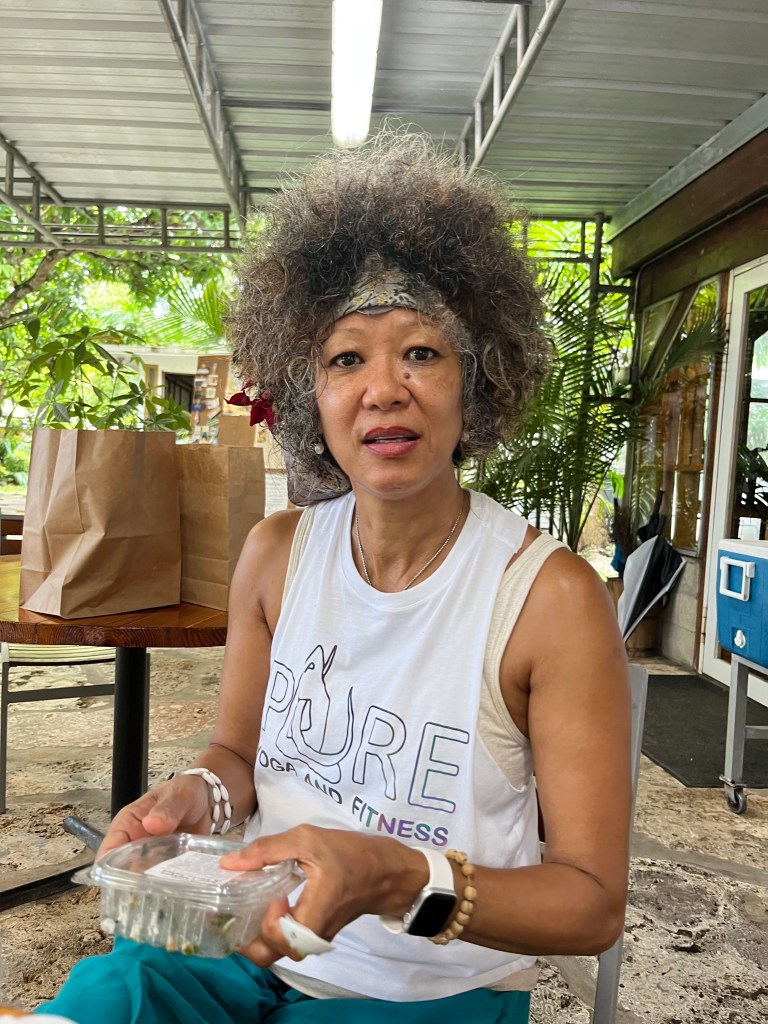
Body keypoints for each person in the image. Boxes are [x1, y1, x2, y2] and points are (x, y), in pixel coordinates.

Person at [37, 133, 632, 1024]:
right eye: (346, 358)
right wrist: (197, 793)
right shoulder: (276, 555)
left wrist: (399, 878)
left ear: (479, 378)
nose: (383, 388)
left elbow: (590, 905)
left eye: (422, 352)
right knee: (105, 998)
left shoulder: (547, 600)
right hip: (243, 944)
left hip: (424, 991)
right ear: (307, 391)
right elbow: (238, 756)